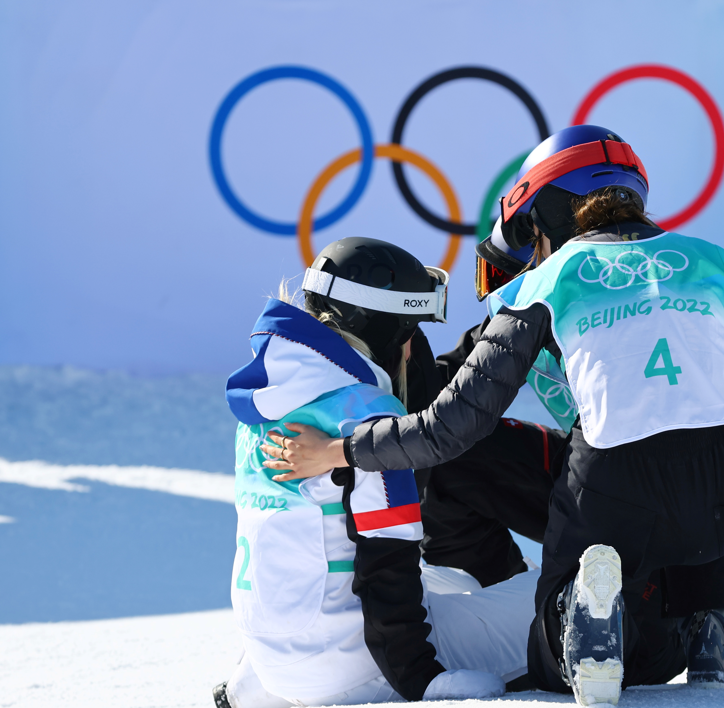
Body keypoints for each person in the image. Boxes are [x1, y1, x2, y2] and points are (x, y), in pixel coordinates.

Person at [262, 126, 724, 706]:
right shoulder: (718, 266)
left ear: (541, 217)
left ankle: (576, 616)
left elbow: (448, 425)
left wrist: (342, 448)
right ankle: (711, 621)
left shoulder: (546, 285)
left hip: (616, 493)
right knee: (715, 421)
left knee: (549, 653)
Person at [214, 237, 541, 708]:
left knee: (460, 583)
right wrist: (421, 681)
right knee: (551, 593)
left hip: (273, 662)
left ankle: (253, 686)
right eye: (409, 334)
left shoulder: (267, 402)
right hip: (357, 667)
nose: (412, 352)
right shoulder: (367, 413)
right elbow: (386, 565)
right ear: (386, 333)